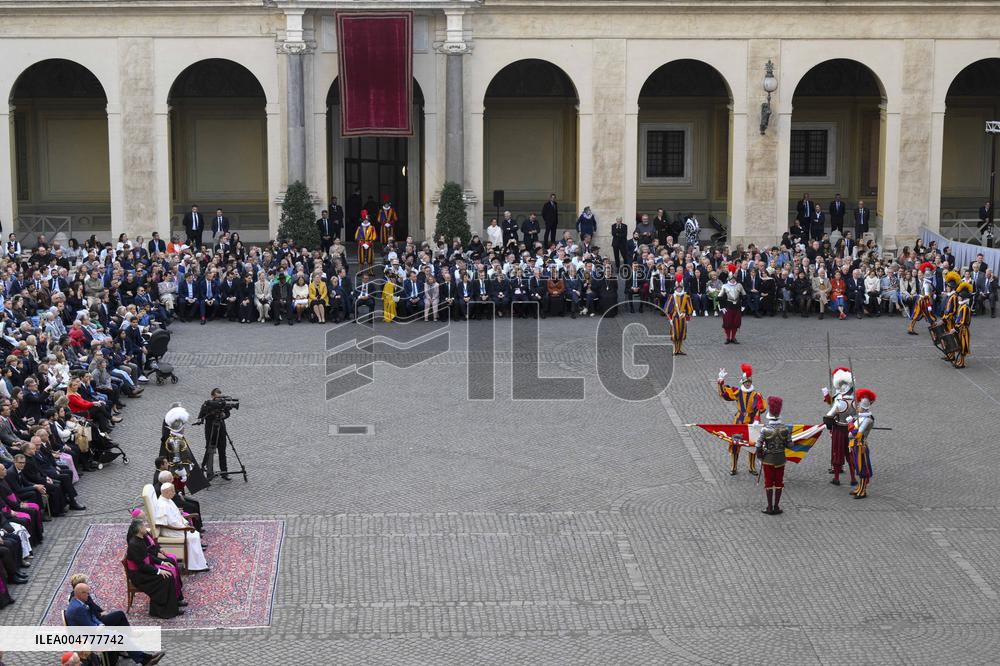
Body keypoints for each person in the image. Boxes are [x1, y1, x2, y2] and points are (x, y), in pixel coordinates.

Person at [65, 579, 165, 665]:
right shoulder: (78, 608)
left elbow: (92, 616)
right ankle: (145, 660)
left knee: (121, 635)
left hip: (92, 632)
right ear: (80, 593)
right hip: (88, 639)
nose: (88, 595)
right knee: (122, 637)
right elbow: (89, 627)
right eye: (87, 593)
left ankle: (146, 659)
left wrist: (100, 624)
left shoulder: (79, 602)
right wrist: (99, 628)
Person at [125, 518, 183, 619]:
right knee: (166, 578)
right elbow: (141, 565)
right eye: (143, 526)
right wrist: (159, 571)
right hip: (139, 575)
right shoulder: (134, 544)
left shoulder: (141, 539)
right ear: (139, 529)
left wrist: (162, 562)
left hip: (145, 570)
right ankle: (162, 610)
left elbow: (148, 556)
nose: (145, 527)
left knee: (168, 574)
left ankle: (173, 605)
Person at [717, 364, 764, 476]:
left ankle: (752, 467)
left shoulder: (756, 395)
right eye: (746, 382)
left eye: (749, 382)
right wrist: (721, 381)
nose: (748, 384)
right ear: (742, 382)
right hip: (739, 421)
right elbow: (725, 395)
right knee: (735, 444)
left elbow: (761, 407)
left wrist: (757, 418)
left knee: (752, 444)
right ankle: (734, 466)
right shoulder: (738, 392)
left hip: (752, 421)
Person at [155, 483, 208, 571]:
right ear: (167, 492)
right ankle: (194, 565)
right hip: (170, 531)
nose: (174, 493)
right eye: (173, 491)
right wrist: (184, 526)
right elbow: (171, 522)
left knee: (194, 534)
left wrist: (184, 522)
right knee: (193, 537)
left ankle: (198, 563)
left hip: (176, 526)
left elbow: (175, 515)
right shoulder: (163, 505)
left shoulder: (167, 500)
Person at [822, 368, 857, 487]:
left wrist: (829, 422)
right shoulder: (855, 401)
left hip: (839, 430)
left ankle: (836, 478)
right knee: (849, 454)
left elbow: (829, 416)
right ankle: (853, 478)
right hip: (850, 430)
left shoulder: (839, 403)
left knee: (837, 453)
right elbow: (856, 417)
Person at [755, 396, 789, 515]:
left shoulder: (765, 430)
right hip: (780, 459)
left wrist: (760, 455)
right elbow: (790, 445)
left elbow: (758, 445)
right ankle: (776, 506)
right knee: (779, 482)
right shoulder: (785, 429)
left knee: (768, 482)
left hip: (768, 459)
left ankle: (769, 507)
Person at [197, 389, 231, 481]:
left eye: (220, 397)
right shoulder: (207, 404)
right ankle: (209, 472)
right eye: (217, 397)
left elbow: (228, 414)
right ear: (212, 396)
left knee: (222, 451)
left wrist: (224, 415)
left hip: (221, 429)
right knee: (209, 451)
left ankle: (224, 472)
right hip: (210, 430)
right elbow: (201, 415)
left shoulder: (223, 403)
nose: (219, 400)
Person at [848, 389, 876, 499]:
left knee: (863, 469)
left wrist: (850, 423)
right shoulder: (861, 417)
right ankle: (860, 488)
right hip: (855, 445)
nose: (858, 407)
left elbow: (857, 434)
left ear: (863, 407)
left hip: (860, 446)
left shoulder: (867, 420)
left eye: (859, 405)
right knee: (858, 468)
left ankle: (863, 491)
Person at [664, 272, 693, 356]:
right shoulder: (672, 296)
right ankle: (675, 349)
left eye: (680, 288)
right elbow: (667, 309)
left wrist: (687, 318)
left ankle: (679, 349)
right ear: (675, 288)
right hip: (675, 317)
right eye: (678, 288)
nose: (679, 289)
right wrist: (669, 319)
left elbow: (689, 309)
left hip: (683, 317)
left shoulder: (686, 297)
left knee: (681, 334)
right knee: (675, 334)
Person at [907, 262, 937, 334]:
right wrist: (929, 303)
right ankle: (935, 329)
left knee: (917, 314)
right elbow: (927, 294)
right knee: (929, 314)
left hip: (921, 300)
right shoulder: (926, 283)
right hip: (924, 301)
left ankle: (910, 328)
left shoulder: (925, 282)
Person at [720, 265, 745, 344]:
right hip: (728, 306)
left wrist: (743, 305)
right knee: (727, 323)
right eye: (731, 279)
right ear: (729, 279)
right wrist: (722, 307)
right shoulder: (724, 286)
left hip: (737, 306)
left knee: (735, 323)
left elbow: (744, 296)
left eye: (734, 279)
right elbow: (720, 297)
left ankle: (733, 338)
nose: (733, 280)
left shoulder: (739, 285)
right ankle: (728, 338)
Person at [953, 281, 972, 368]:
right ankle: (961, 361)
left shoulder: (965, 308)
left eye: (960, 296)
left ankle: (962, 362)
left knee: (962, 346)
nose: (958, 298)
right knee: (960, 345)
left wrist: (956, 328)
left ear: (963, 297)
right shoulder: (961, 306)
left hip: (963, 329)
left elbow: (963, 321)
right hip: (960, 329)